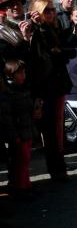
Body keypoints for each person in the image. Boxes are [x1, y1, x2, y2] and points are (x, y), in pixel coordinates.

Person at [27, 0, 72, 181]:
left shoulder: (55, 27)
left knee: (57, 130)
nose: (52, 13)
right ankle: (56, 169)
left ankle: (58, 167)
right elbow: (41, 58)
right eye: (47, 11)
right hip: (44, 86)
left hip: (58, 84)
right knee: (50, 131)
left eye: (53, 10)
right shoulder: (37, 30)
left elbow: (59, 50)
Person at [3, 60, 36, 199]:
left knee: (26, 159)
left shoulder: (24, 89)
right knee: (20, 161)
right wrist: (13, 135)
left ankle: (26, 185)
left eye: (24, 72)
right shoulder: (9, 93)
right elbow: (7, 117)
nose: (23, 75)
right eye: (20, 73)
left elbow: (28, 109)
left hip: (27, 129)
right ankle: (20, 188)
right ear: (11, 75)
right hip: (18, 132)